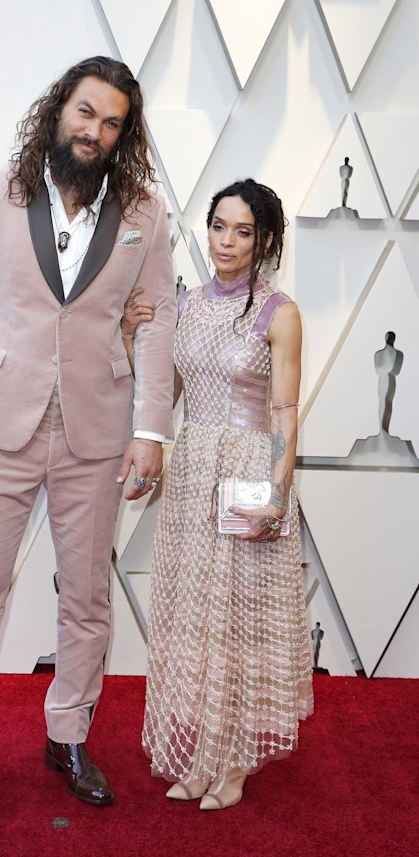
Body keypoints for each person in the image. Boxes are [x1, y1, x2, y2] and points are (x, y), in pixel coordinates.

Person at [0, 55, 176, 844]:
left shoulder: (145, 213)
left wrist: (149, 430)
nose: (94, 131)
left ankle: (67, 738)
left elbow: (159, 319)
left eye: (111, 122)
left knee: (88, 601)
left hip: (96, 434)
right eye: (85, 112)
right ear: (58, 108)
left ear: (123, 134)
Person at [141, 179, 313, 810]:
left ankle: (234, 764)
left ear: (265, 241)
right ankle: (199, 756)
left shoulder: (280, 312)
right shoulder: (185, 305)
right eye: (219, 226)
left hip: (247, 467)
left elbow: (286, 412)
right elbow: (168, 391)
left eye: (244, 231)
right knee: (197, 618)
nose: (228, 242)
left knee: (237, 620)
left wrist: (273, 491)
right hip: (193, 469)